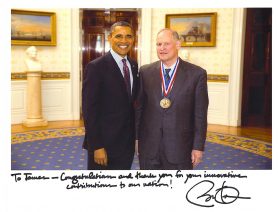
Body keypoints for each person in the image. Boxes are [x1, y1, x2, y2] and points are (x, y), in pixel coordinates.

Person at [136, 28, 209, 170]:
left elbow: (200, 115)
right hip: (149, 148)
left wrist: (198, 147)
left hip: (180, 149)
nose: (162, 48)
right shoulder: (145, 72)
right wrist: (137, 138)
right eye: (158, 44)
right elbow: (139, 109)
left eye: (166, 44)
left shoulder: (197, 74)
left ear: (178, 45)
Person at [82, 21, 139, 170]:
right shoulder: (96, 67)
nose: (124, 41)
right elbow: (89, 111)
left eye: (128, 36)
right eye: (118, 36)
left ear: (133, 39)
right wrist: (97, 146)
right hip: (104, 145)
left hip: (126, 144)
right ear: (110, 38)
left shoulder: (133, 65)